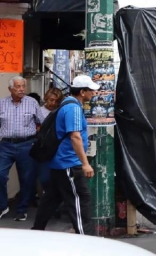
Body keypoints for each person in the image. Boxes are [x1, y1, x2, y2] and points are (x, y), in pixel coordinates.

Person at [32, 75, 99, 235]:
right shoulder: (73, 108)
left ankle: (36, 231)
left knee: (52, 198)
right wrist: (85, 163)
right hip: (69, 163)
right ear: (82, 92)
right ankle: (87, 239)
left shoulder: (67, 104)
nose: (94, 93)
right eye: (91, 90)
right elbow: (74, 136)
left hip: (60, 162)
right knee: (80, 200)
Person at [0, 76, 45, 221]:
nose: (21, 89)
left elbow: (41, 123)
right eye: (18, 87)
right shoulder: (2, 103)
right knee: (0, 175)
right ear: (10, 89)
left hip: (26, 144)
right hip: (6, 144)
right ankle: (2, 206)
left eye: (23, 86)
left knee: (26, 178)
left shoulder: (32, 103)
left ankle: (22, 209)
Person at [35, 88, 64, 198]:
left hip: (57, 147)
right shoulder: (39, 111)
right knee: (44, 177)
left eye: (56, 101)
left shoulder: (60, 111)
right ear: (46, 98)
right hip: (44, 148)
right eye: (51, 100)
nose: (53, 103)